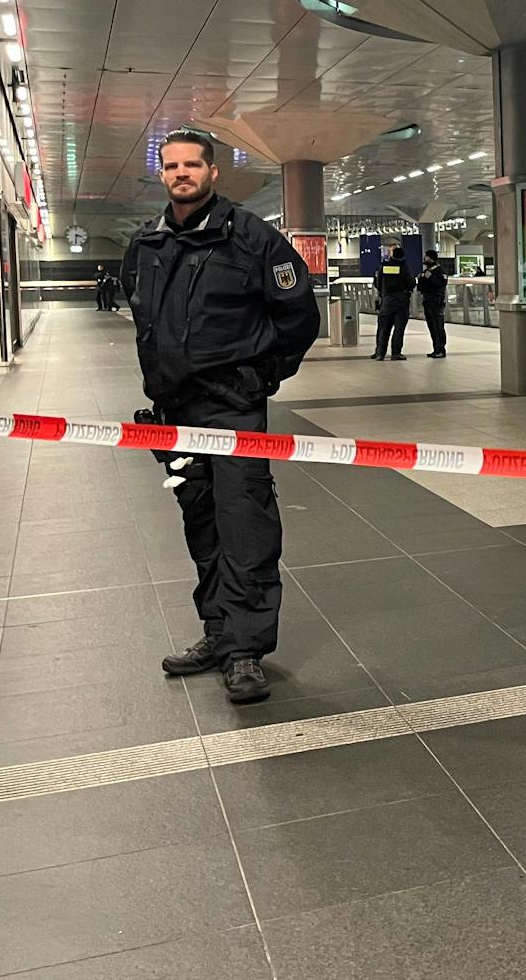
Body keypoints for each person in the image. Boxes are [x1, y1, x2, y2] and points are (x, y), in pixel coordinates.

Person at [121, 127, 319, 704]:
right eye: (171, 166)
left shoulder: (254, 240)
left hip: (232, 411)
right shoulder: (148, 245)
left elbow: (297, 317)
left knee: (244, 524)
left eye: (192, 165)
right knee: (201, 521)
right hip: (171, 413)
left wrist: (262, 377)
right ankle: (217, 631)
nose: (181, 173)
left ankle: (245, 651)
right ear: (162, 174)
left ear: (213, 173)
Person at [371, 243, 414, 361]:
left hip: (386, 301)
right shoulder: (404, 267)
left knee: (383, 328)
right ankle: (396, 353)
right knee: (399, 329)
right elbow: (411, 282)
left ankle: (380, 353)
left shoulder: (383, 266)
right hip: (401, 301)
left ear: (392, 255)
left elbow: (377, 282)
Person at [417, 249, 448, 358]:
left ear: (431, 257)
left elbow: (442, 283)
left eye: (426, 257)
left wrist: (430, 277)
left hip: (436, 301)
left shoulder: (440, 270)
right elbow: (420, 287)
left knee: (438, 326)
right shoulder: (426, 271)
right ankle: (436, 349)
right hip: (427, 301)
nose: (424, 259)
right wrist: (421, 278)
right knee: (432, 326)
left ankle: (441, 349)